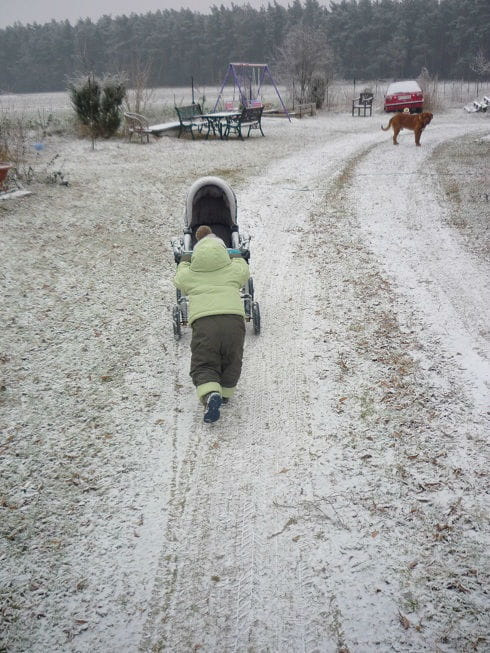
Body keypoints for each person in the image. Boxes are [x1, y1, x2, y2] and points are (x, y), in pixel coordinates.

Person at [174, 226, 250, 423]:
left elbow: (179, 279)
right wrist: (238, 256)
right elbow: (244, 272)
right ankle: (225, 393)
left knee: (205, 361)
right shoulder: (231, 268)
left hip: (204, 322)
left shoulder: (191, 273)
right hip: (233, 321)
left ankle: (210, 394)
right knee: (232, 358)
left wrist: (183, 261)